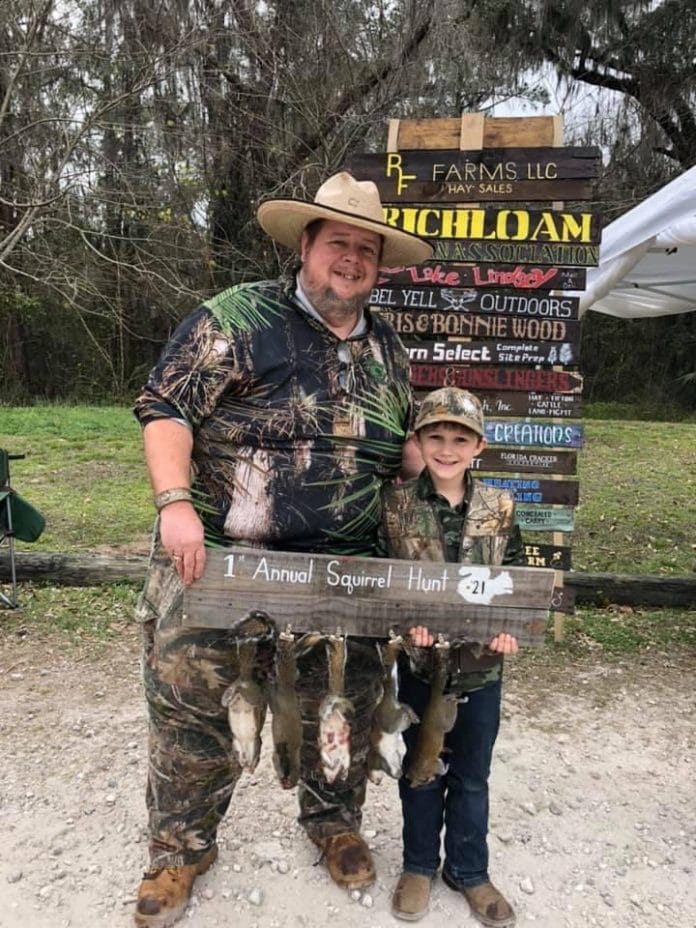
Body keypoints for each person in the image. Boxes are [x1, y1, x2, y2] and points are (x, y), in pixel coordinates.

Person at [131, 171, 432, 928]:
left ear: (380, 263)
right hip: (223, 563)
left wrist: (416, 470)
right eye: (339, 243)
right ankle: (182, 849)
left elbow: (397, 454)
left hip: (343, 574)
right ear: (306, 245)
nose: (353, 259)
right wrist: (174, 505)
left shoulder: (389, 351)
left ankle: (333, 823)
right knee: (193, 708)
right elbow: (166, 406)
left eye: (368, 248)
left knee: (348, 705)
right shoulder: (235, 317)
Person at [380, 387, 524, 927]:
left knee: (471, 772)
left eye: (459, 438)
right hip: (420, 668)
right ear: (418, 441)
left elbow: (517, 583)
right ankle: (418, 864)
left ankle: (468, 870)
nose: (446, 448)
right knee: (421, 768)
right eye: (435, 436)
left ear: (478, 446)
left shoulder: (502, 507)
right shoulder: (394, 507)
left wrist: (508, 630)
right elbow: (379, 587)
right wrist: (402, 628)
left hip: (481, 669)